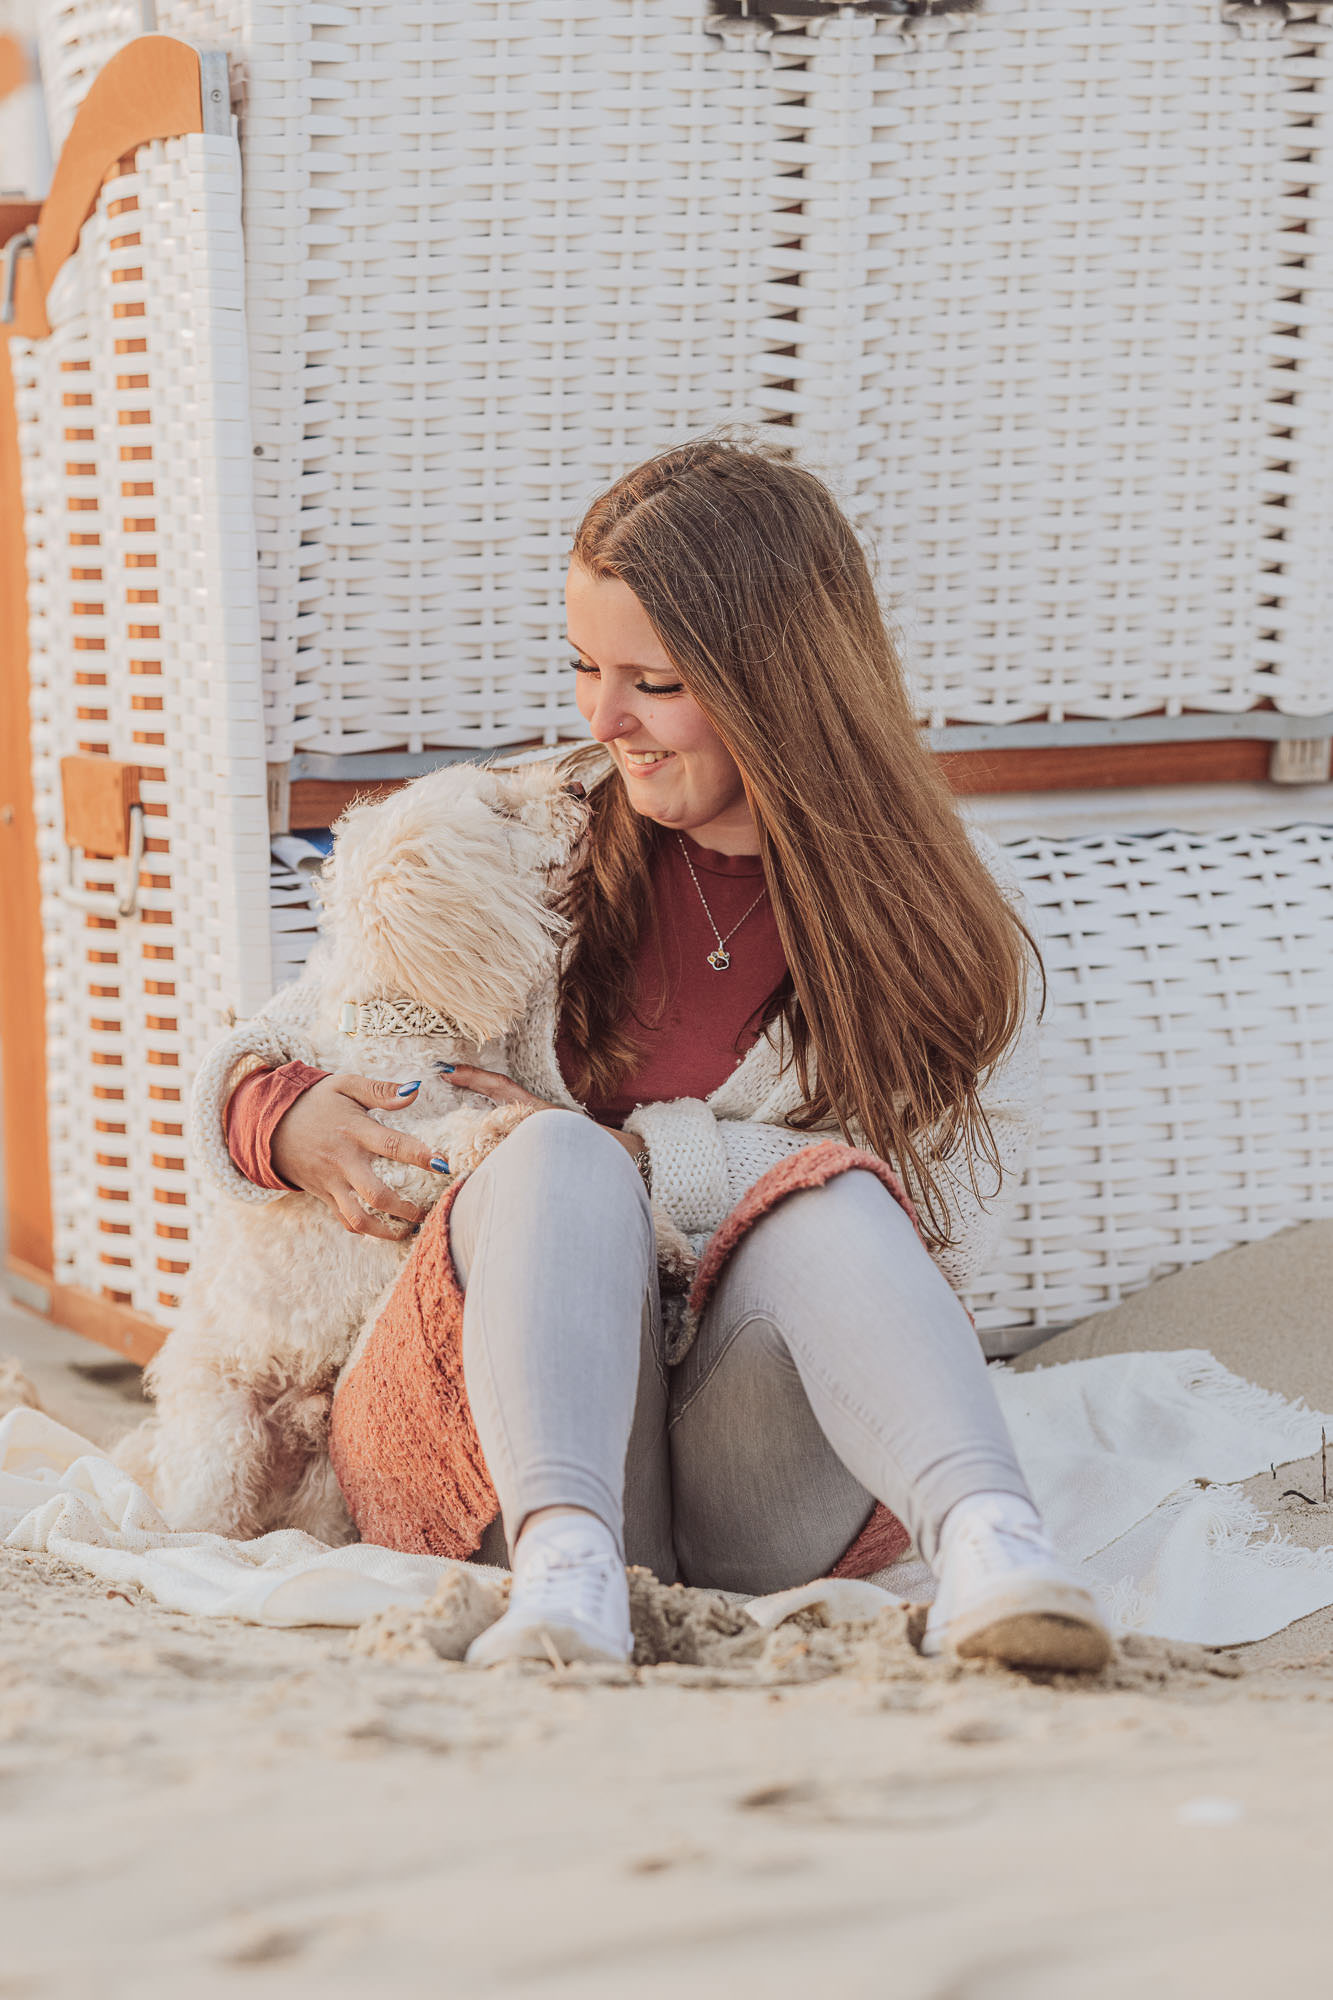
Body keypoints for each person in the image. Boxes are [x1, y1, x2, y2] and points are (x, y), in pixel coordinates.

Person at [198, 440, 1109, 1674]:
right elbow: (291, 1036)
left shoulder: (930, 928)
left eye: (655, 680)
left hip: (762, 1481)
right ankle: (566, 1578)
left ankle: (996, 1550)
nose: (603, 716)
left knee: (826, 1191)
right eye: (585, 665)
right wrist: (286, 1118)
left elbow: (930, 1214)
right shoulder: (511, 840)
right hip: (484, 1454)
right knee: (551, 1157)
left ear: (779, 682)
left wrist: (649, 1158)